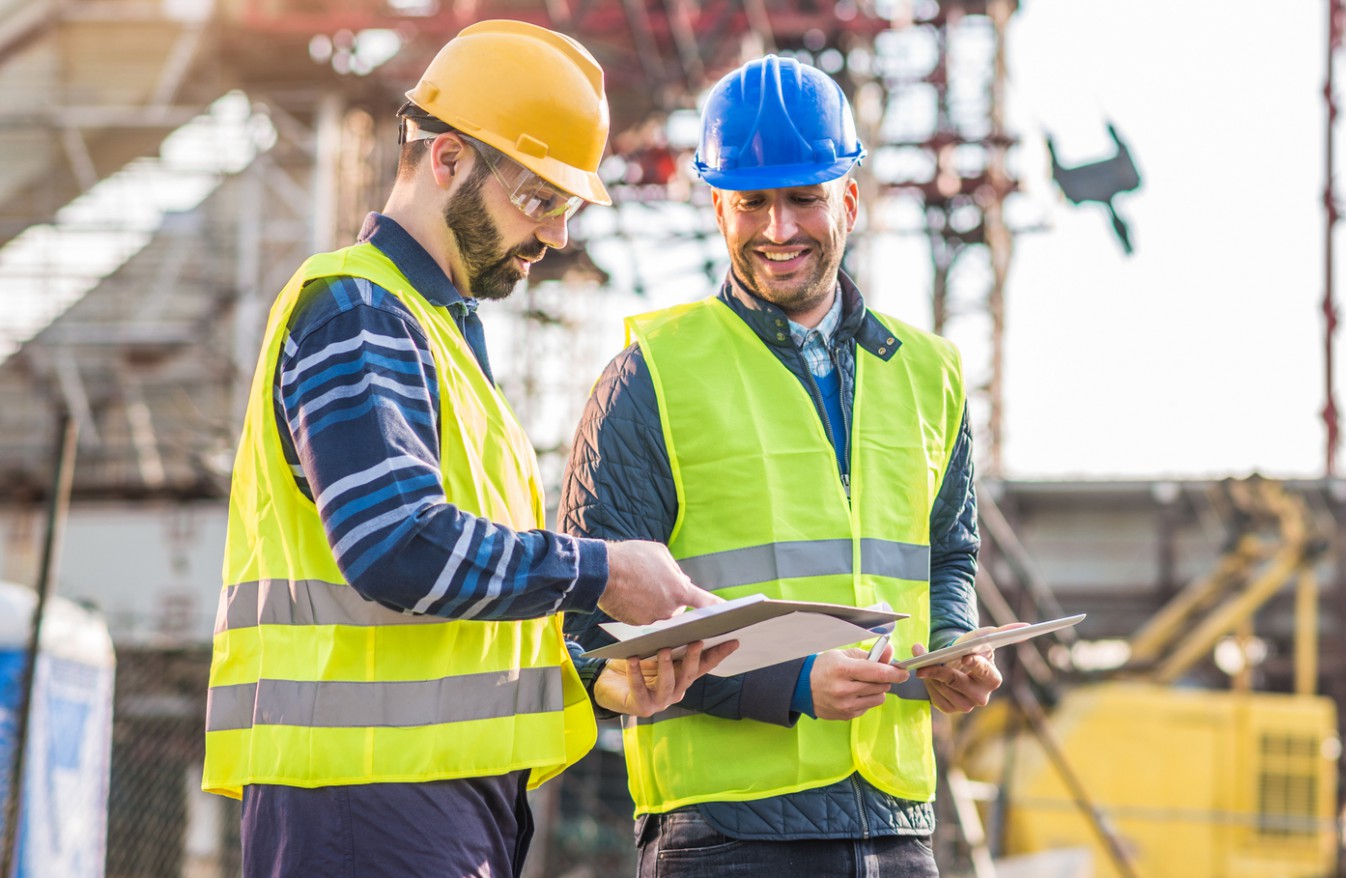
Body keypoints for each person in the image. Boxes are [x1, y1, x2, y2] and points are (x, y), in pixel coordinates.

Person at [201, 21, 734, 877]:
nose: (555, 235)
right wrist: (605, 572)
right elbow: (396, 546)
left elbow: (461, 604)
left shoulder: (435, 336)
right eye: (540, 199)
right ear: (447, 161)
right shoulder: (359, 311)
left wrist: (600, 680)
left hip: (431, 801)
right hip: (365, 806)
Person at [559, 54, 1020, 877]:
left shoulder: (930, 372)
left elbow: (948, 556)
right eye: (752, 204)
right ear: (717, 209)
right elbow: (594, 635)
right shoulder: (652, 376)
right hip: (724, 836)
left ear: (847, 197)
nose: (778, 230)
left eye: (803, 198)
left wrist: (951, 645)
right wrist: (793, 683)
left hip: (896, 821)